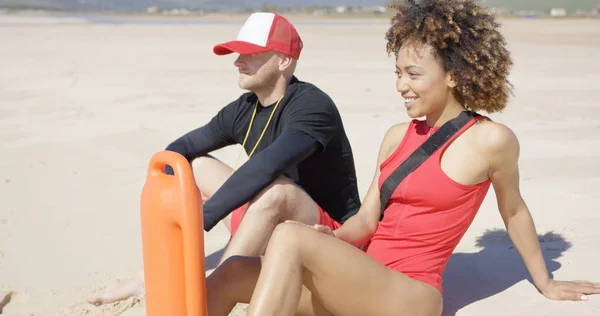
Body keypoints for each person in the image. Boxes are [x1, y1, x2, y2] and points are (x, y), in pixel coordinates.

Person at [205, 1, 600, 315]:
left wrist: (545, 283)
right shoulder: (397, 137)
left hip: (409, 296)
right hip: (361, 279)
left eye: (413, 74)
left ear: (453, 76)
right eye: (397, 73)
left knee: (288, 236)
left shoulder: (490, 140)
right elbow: (365, 221)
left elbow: (513, 212)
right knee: (233, 272)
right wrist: (330, 239)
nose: (400, 86)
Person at [87, 11, 362, 306]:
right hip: (272, 221)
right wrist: (176, 203)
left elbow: (268, 165)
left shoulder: (312, 106)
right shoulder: (245, 108)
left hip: (329, 235)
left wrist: (203, 216)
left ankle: (210, 298)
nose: (237, 61)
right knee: (193, 167)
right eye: (237, 53)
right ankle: (151, 278)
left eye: (250, 53)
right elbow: (181, 149)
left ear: (284, 61)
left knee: (276, 191)